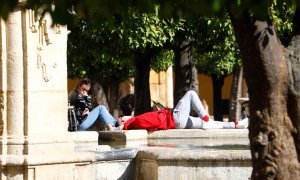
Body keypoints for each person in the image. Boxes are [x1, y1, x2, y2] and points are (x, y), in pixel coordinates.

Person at [118, 90, 249, 130]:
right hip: (174, 119)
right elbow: (155, 122)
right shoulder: (135, 121)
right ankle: (206, 117)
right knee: (191, 93)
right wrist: (123, 124)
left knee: (205, 125)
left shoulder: (134, 120)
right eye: (120, 119)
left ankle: (236, 125)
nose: (121, 117)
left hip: (178, 122)